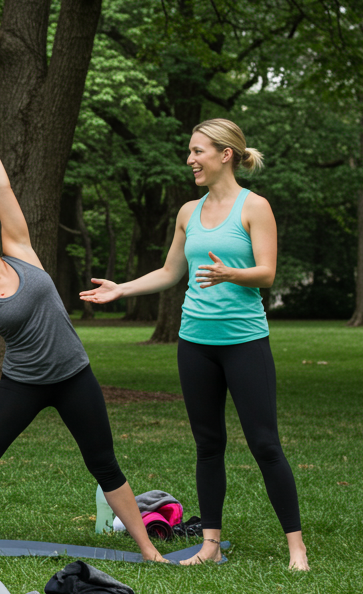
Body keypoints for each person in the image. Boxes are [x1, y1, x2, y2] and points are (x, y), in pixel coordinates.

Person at [0, 99, 167, 562]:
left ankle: (148, 550)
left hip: (74, 375)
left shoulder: (20, 250)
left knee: (103, 462)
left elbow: (1, 186)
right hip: (23, 384)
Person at [81, 118, 308, 570]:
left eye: (197, 151)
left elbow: (267, 273)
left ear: (226, 154)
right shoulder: (188, 212)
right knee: (208, 445)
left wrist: (231, 274)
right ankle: (209, 544)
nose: (190, 160)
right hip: (195, 343)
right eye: (190, 151)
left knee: (265, 444)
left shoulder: (254, 207)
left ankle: (296, 548)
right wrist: (122, 288)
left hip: (244, 341)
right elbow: (170, 272)